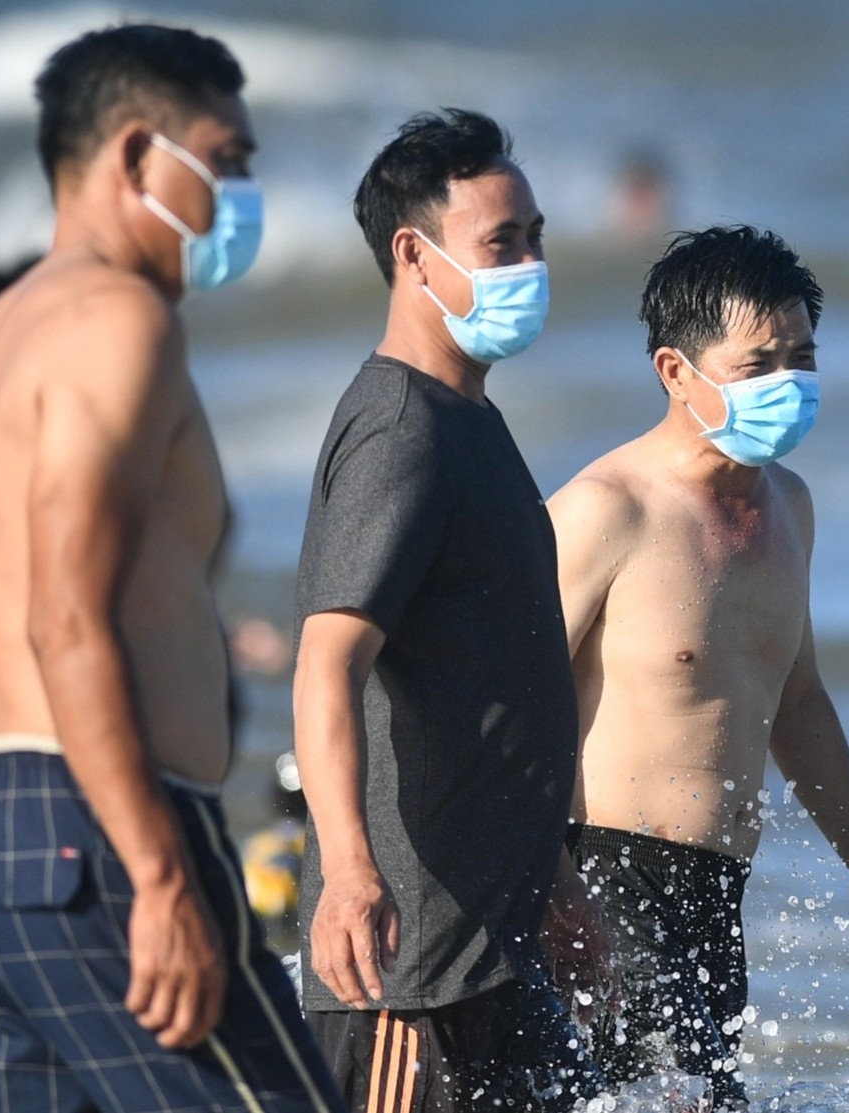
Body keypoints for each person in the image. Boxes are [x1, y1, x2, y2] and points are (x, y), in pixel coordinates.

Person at [0, 24, 340, 1112]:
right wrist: (156, 875)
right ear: (137, 154)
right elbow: (63, 618)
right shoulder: (119, 322)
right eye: (228, 160)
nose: (241, 191)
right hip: (97, 831)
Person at [547, 225, 849, 1107]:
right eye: (757, 363)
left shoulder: (789, 510)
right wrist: (546, 884)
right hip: (603, 881)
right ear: (675, 371)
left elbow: (800, 710)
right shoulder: (603, 511)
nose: (789, 384)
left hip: (715, 896)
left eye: (803, 357)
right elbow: (501, 703)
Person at [290, 108, 610, 1112]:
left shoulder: (467, 417)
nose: (529, 265)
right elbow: (325, 665)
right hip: (409, 972)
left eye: (535, 238)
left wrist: (553, 878)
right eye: (501, 244)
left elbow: (492, 677)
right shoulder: (401, 434)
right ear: (411, 255)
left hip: (498, 945)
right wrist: (347, 872)